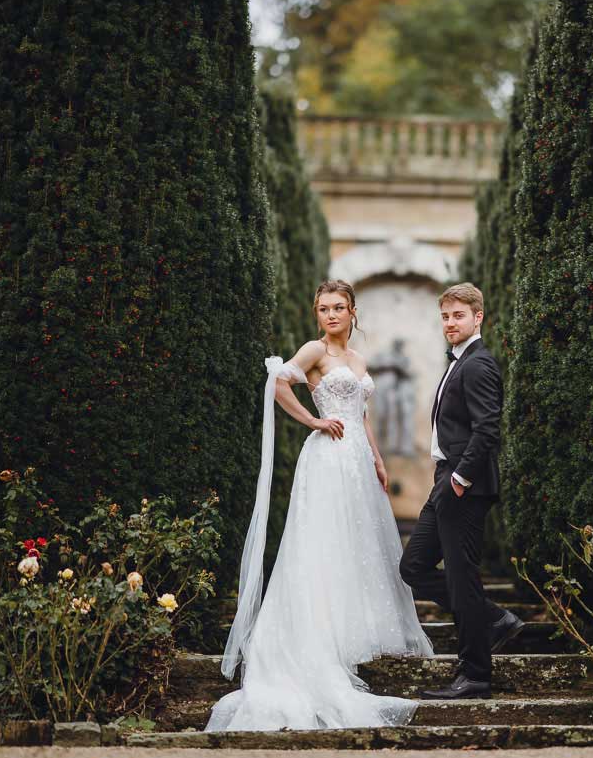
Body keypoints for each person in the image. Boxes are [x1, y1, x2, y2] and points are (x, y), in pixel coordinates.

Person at [206, 279, 433, 732]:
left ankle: (347, 629)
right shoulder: (315, 351)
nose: (330, 315)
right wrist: (312, 419)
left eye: (338, 308)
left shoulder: (359, 360)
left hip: (356, 462)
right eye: (324, 308)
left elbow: (363, 415)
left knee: (353, 545)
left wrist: (377, 459)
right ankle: (317, 635)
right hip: (327, 459)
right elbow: (278, 383)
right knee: (322, 543)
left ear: (353, 313)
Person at [400, 282, 523, 700]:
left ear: (478, 317)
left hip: (462, 485)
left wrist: (460, 478)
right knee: (413, 568)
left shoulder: (478, 364)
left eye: (458, 316)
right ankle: (492, 619)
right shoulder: (459, 362)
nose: (450, 323)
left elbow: (488, 427)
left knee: (461, 577)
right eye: (446, 316)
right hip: (446, 479)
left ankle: (476, 676)